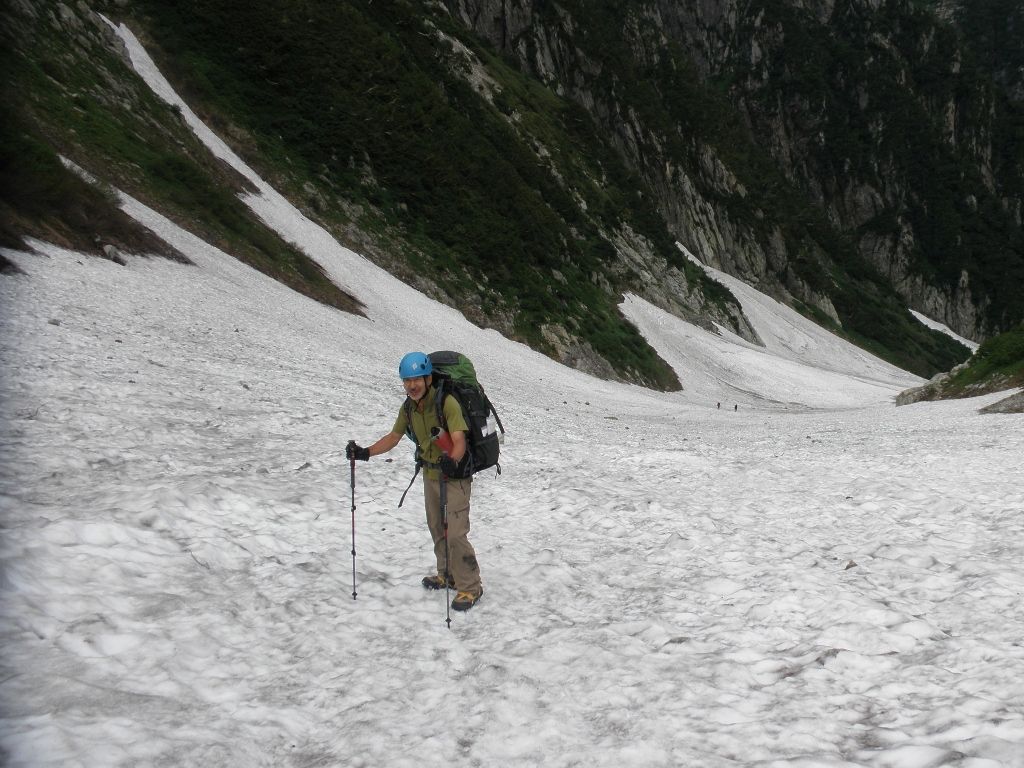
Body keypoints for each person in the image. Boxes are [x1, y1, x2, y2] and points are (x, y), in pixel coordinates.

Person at [346, 352, 484, 611]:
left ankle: (471, 587)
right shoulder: (408, 408)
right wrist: (365, 452)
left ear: (428, 377)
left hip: (455, 476)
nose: (412, 386)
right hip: (430, 474)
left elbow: (459, 440)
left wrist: (452, 461)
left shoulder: (447, 402)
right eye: (407, 380)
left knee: (455, 533)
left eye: (417, 379)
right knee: (436, 527)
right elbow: (393, 436)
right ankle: (447, 574)